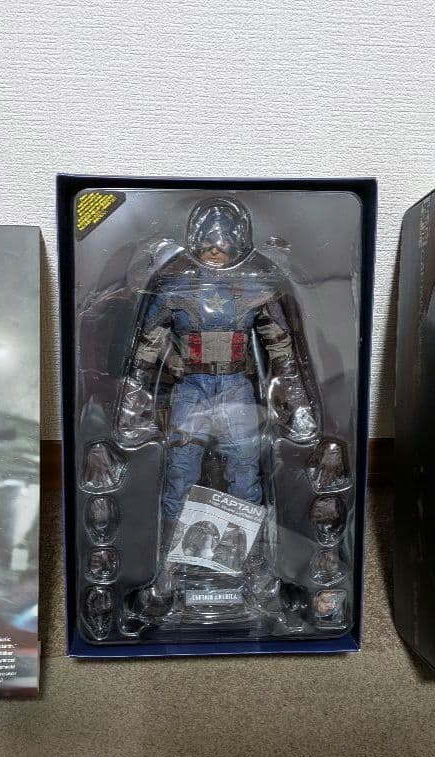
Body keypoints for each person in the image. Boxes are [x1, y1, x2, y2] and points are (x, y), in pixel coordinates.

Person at [113, 197, 322, 617]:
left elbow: (282, 348)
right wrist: (134, 398)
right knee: (179, 478)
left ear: (237, 243)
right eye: (208, 242)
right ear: (195, 241)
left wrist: (296, 402)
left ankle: (256, 567)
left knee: (246, 478)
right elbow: (147, 348)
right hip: (191, 388)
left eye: (224, 242)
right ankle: (168, 570)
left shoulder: (255, 285)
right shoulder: (175, 285)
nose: (215, 249)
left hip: (235, 388)